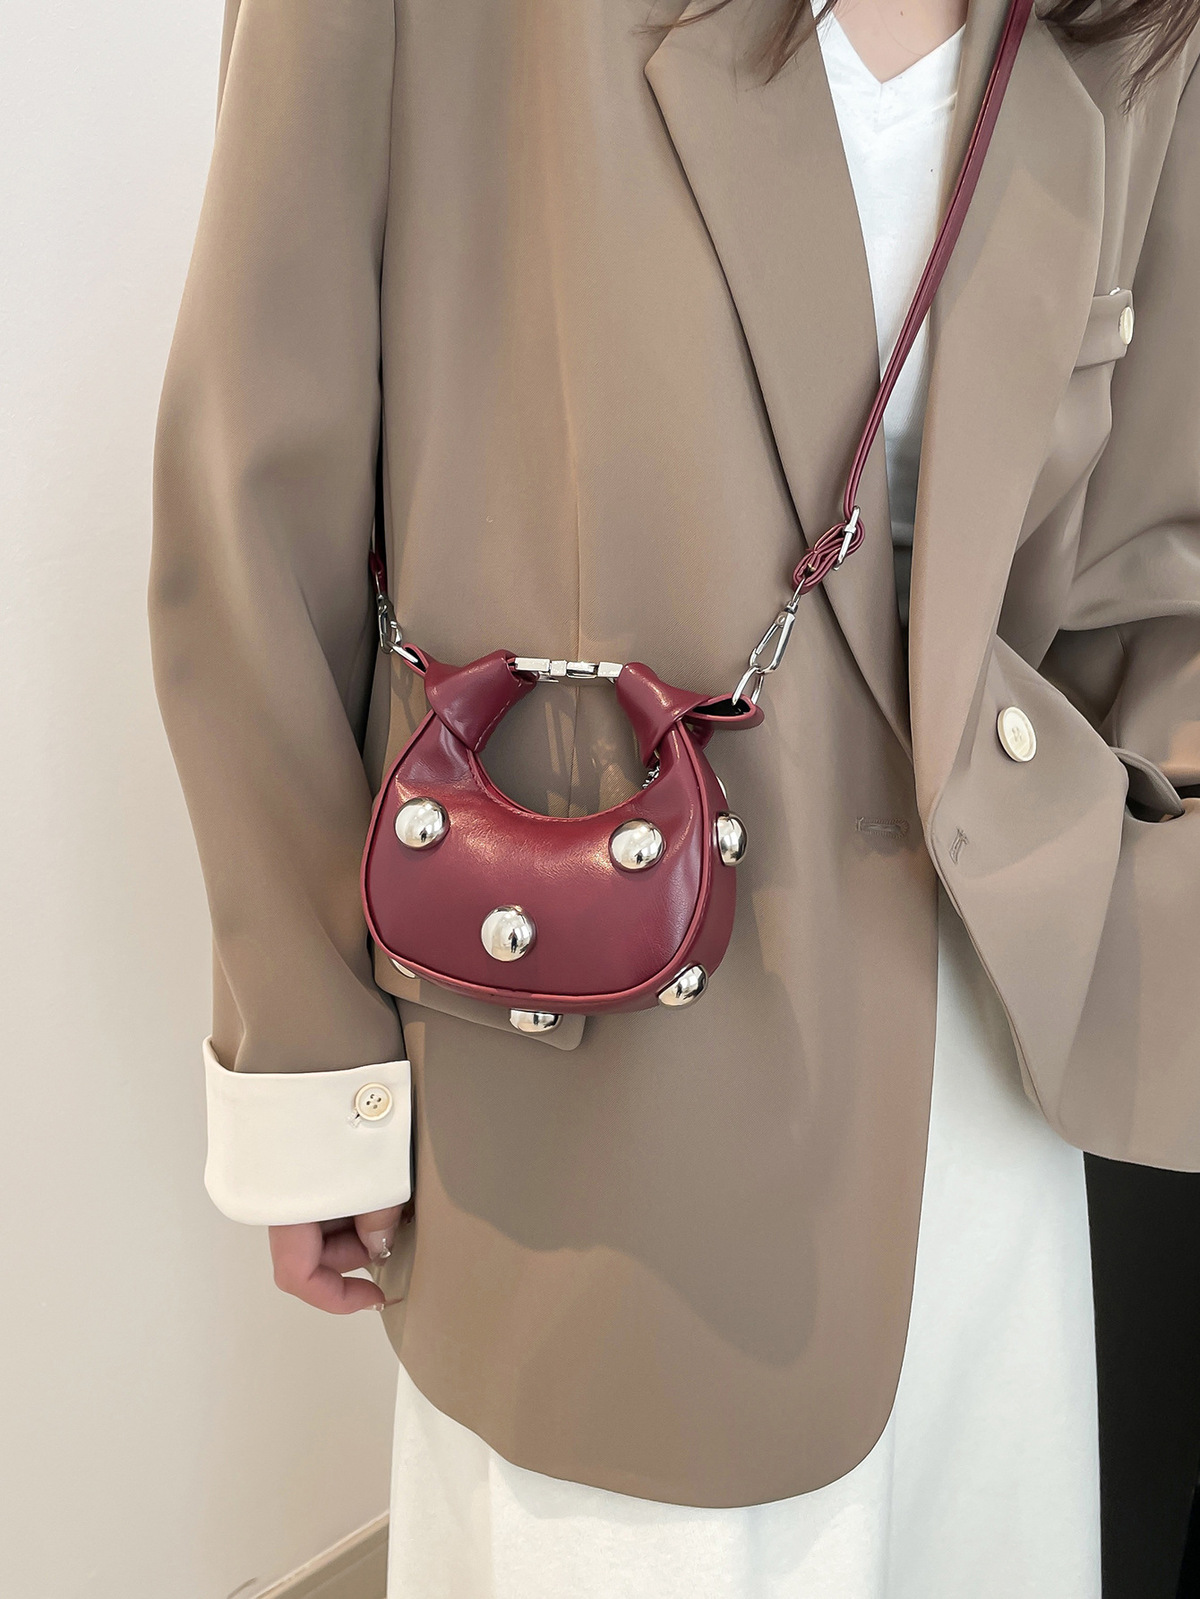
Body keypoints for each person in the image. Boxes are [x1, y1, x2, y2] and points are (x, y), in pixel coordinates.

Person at [149, 0, 1200, 1593]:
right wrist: (315, 1071)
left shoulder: (1133, 30)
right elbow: (252, 519)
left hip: (985, 1087)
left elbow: (1150, 567)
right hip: (602, 1084)